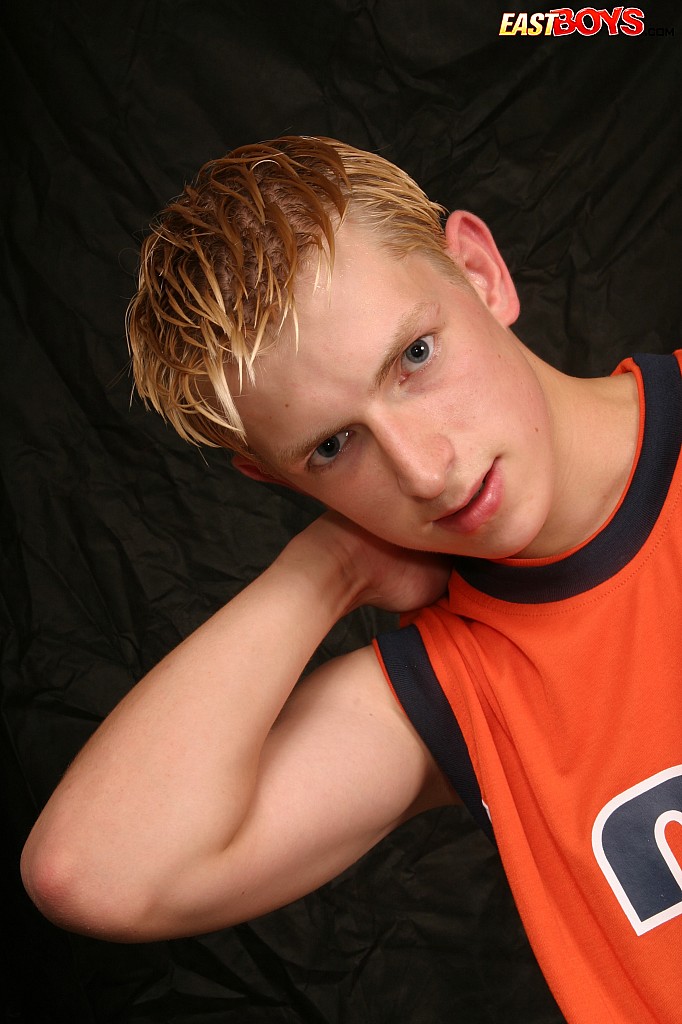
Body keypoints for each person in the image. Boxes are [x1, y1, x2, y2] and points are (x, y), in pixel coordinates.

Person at [20, 136, 682, 1023]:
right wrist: (325, 568)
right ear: (276, 479)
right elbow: (90, 871)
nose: (425, 471)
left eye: (415, 356)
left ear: (480, 273)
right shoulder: (458, 686)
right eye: (334, 446)